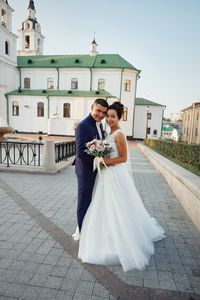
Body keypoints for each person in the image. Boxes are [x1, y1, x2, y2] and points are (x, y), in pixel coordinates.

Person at [78, 101, 165, 272]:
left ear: (119, 117)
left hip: (115, 176)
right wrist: (100, 159)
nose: (108, 118)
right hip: (105, 177)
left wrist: (103, 161)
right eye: (107, 115)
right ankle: (104, 234)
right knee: (104, 207)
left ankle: (121, 238)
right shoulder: (107, 132)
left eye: (112, 116)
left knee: (117, 207)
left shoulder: (119, 134)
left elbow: (123, 158)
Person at [73, 98, 109, 240]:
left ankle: (89, 229)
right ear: (92, 108)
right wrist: (98, 161)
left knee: (91, 201)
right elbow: (81, 152)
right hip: (85, 171)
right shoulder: (83, 125)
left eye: (104, 113)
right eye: (98, 111)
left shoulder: (99, 126)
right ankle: (82, 233)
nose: (100, 114)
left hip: (94, 170)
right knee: (84, 202)